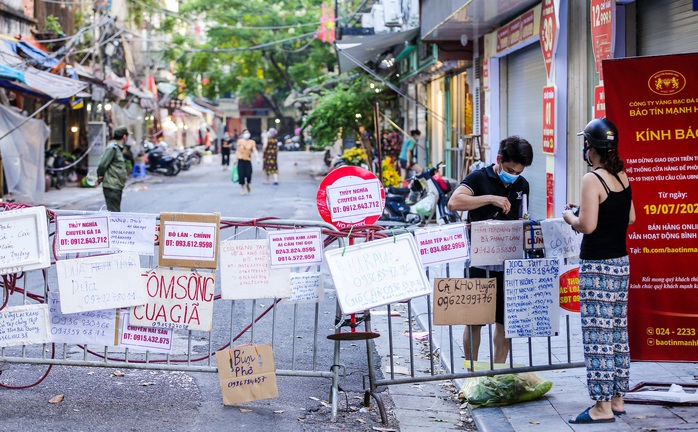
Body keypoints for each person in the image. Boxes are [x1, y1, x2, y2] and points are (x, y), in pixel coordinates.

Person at [563, 118, 635, 424]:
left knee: (597, 337)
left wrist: (570, 216)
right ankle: (617, 399)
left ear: (589, 147)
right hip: (621, 263)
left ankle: (602, 407)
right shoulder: (621, 175)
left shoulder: (592, 179)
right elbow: (629, 217)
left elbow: (587, 226)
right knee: (617, 332)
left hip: (597, 268)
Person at [447, 136, 534, 364]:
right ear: (498, 159)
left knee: (504, 321)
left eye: (518, 171)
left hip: (508, 261)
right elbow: (454, 203)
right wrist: (490, 199)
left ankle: (497, 374)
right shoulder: (479, 177)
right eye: (509, 170)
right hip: (479, 260)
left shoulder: (522, 185)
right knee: (475, 319)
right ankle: (472, 372)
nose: (513, 176)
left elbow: (523, 216)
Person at [96, 125, 129, 212]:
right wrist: (100, 175)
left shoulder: (118, 148)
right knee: (115, 214)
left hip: (116, 185)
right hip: (112, 185)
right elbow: (103, 164)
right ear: (124, 137)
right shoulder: (113, 147)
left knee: (115, 212)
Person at [235, 128, 260, 195]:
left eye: (247, 133)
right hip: (241, 160)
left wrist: (257, 158)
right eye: (245, 133)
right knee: (241, 175)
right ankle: (242, 189)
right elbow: (237, 150)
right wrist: (235, 159)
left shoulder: (252, 142)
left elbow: (254, 150)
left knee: (249, 175)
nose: (246, 134)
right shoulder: (240, 141)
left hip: (248, 161)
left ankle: (248, 184)